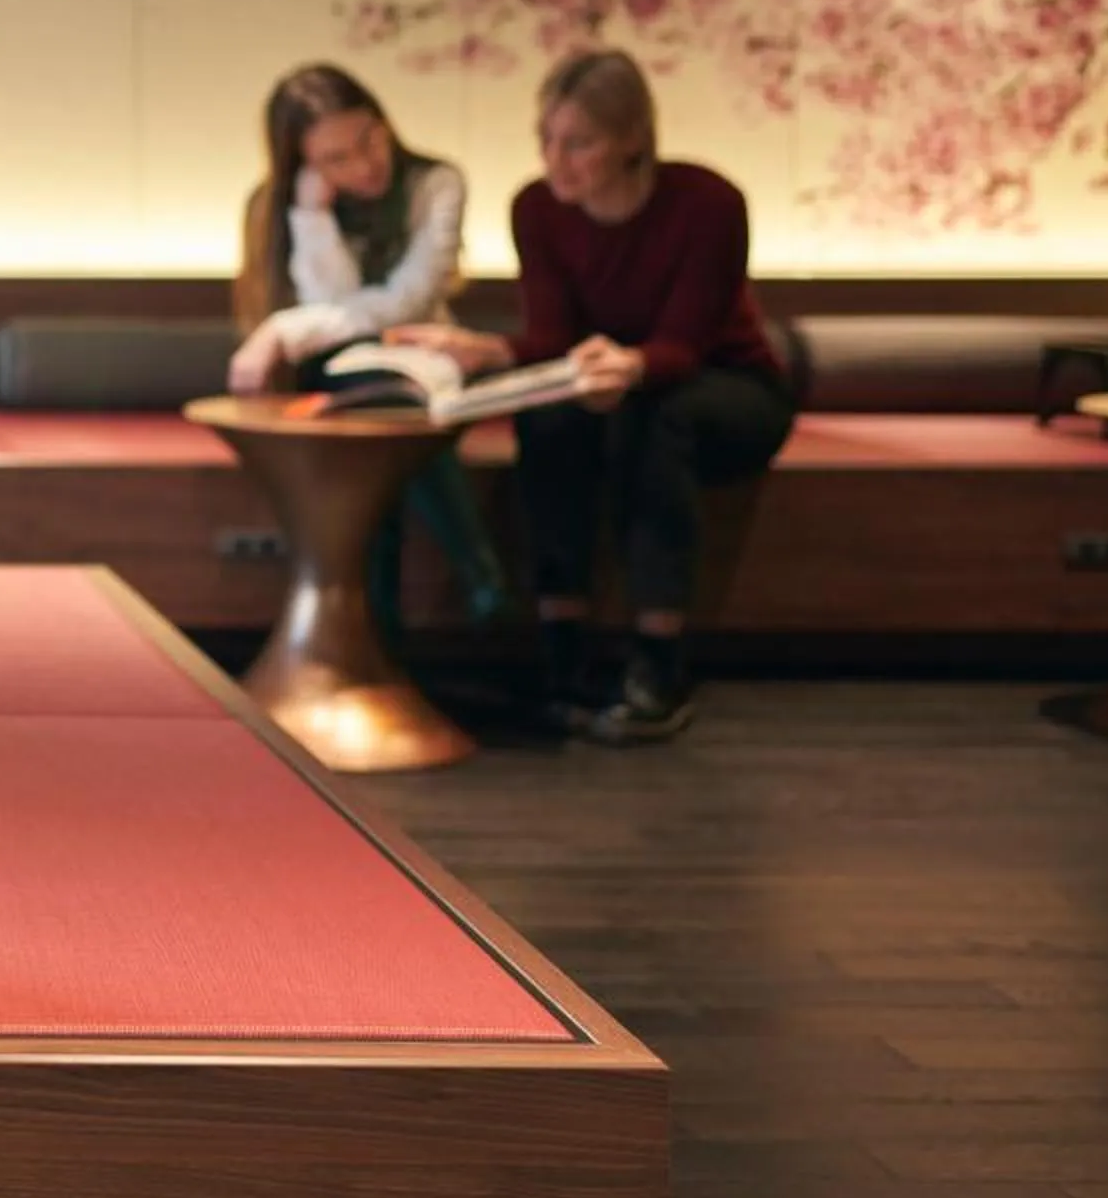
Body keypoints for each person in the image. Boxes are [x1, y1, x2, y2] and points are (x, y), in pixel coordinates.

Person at [391, 48, 791, 744]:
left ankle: (659, 663)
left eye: (579, 143)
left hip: (724, 387)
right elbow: (553, 335)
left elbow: (684, 346)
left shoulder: (708, 204)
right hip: (603, 380)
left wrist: (629, 366)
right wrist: (489, 351)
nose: (556, 160)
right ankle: (561, 649)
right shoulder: (538, 209)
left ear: (634, 138)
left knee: (652, 419)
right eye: (545, 140)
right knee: (550, 422)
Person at [227, 63, 511, 640]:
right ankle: (470, 572)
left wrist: (284, 328)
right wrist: (313, 216)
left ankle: (383, 640)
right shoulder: (285, 205)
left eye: (370, 139)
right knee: (368, 409)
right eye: (336, 158)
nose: (365, 164)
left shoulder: (436, 184)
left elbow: (407, 302)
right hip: (333, 374)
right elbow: (335, 310)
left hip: (425, 361)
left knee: (382, 416)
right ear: (303, 163)